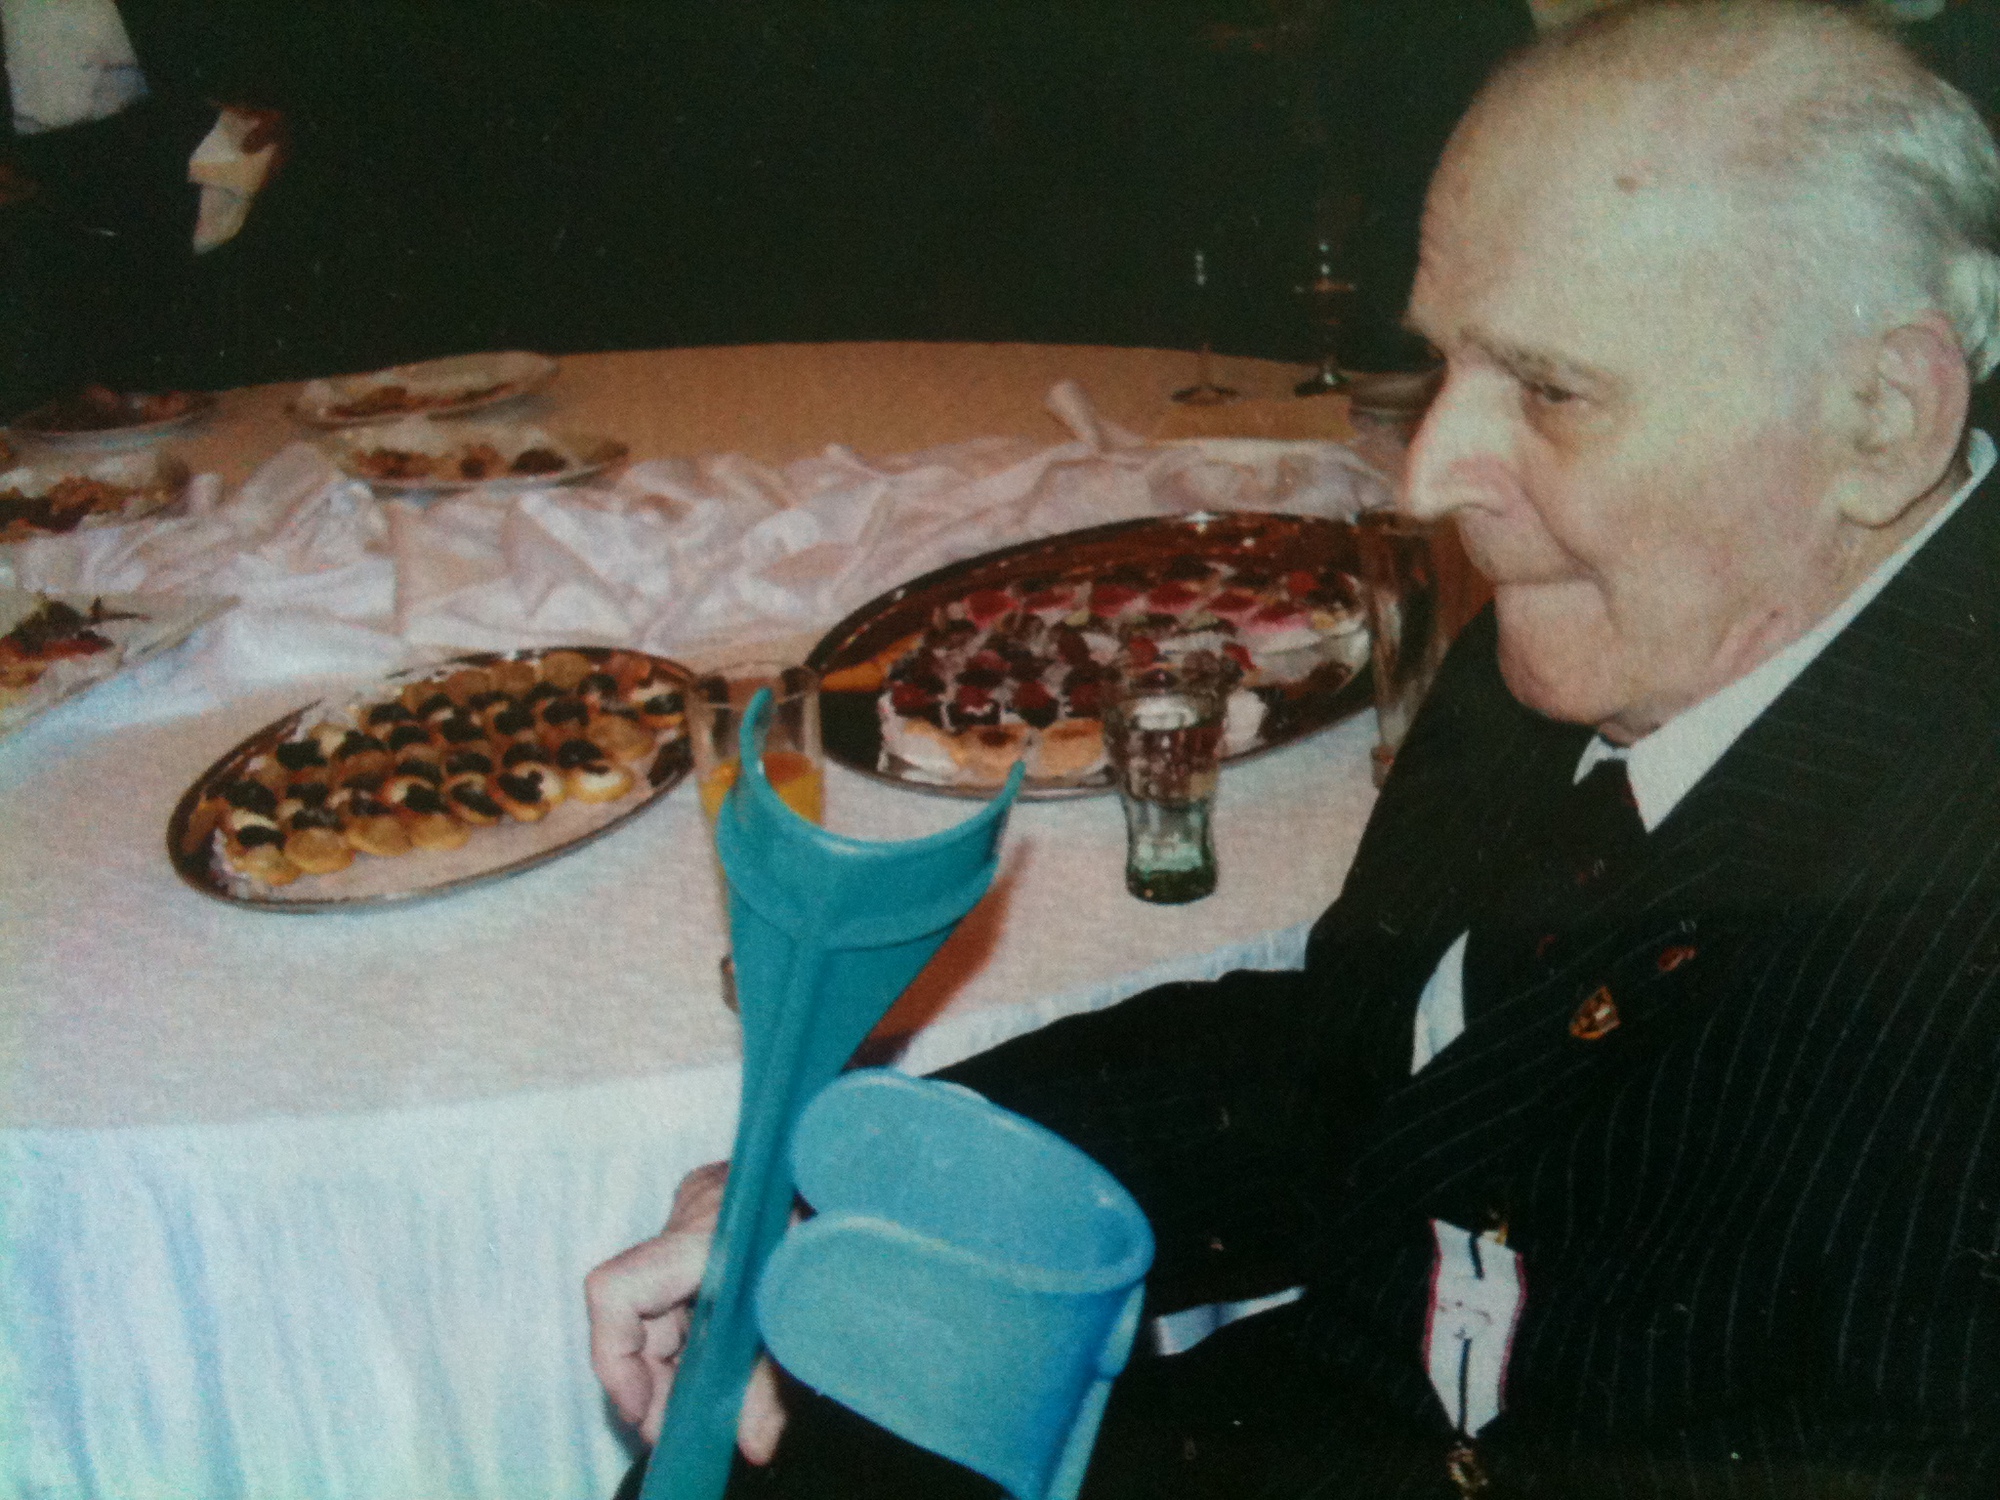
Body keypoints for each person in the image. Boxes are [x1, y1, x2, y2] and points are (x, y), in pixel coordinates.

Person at [587, 2, 2000, 1494]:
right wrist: (876, 1197)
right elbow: (1363, 1057)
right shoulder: (1628, 631)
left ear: (1883, 420)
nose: (1431, 474)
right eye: (1444, 364)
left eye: (1551, 390)